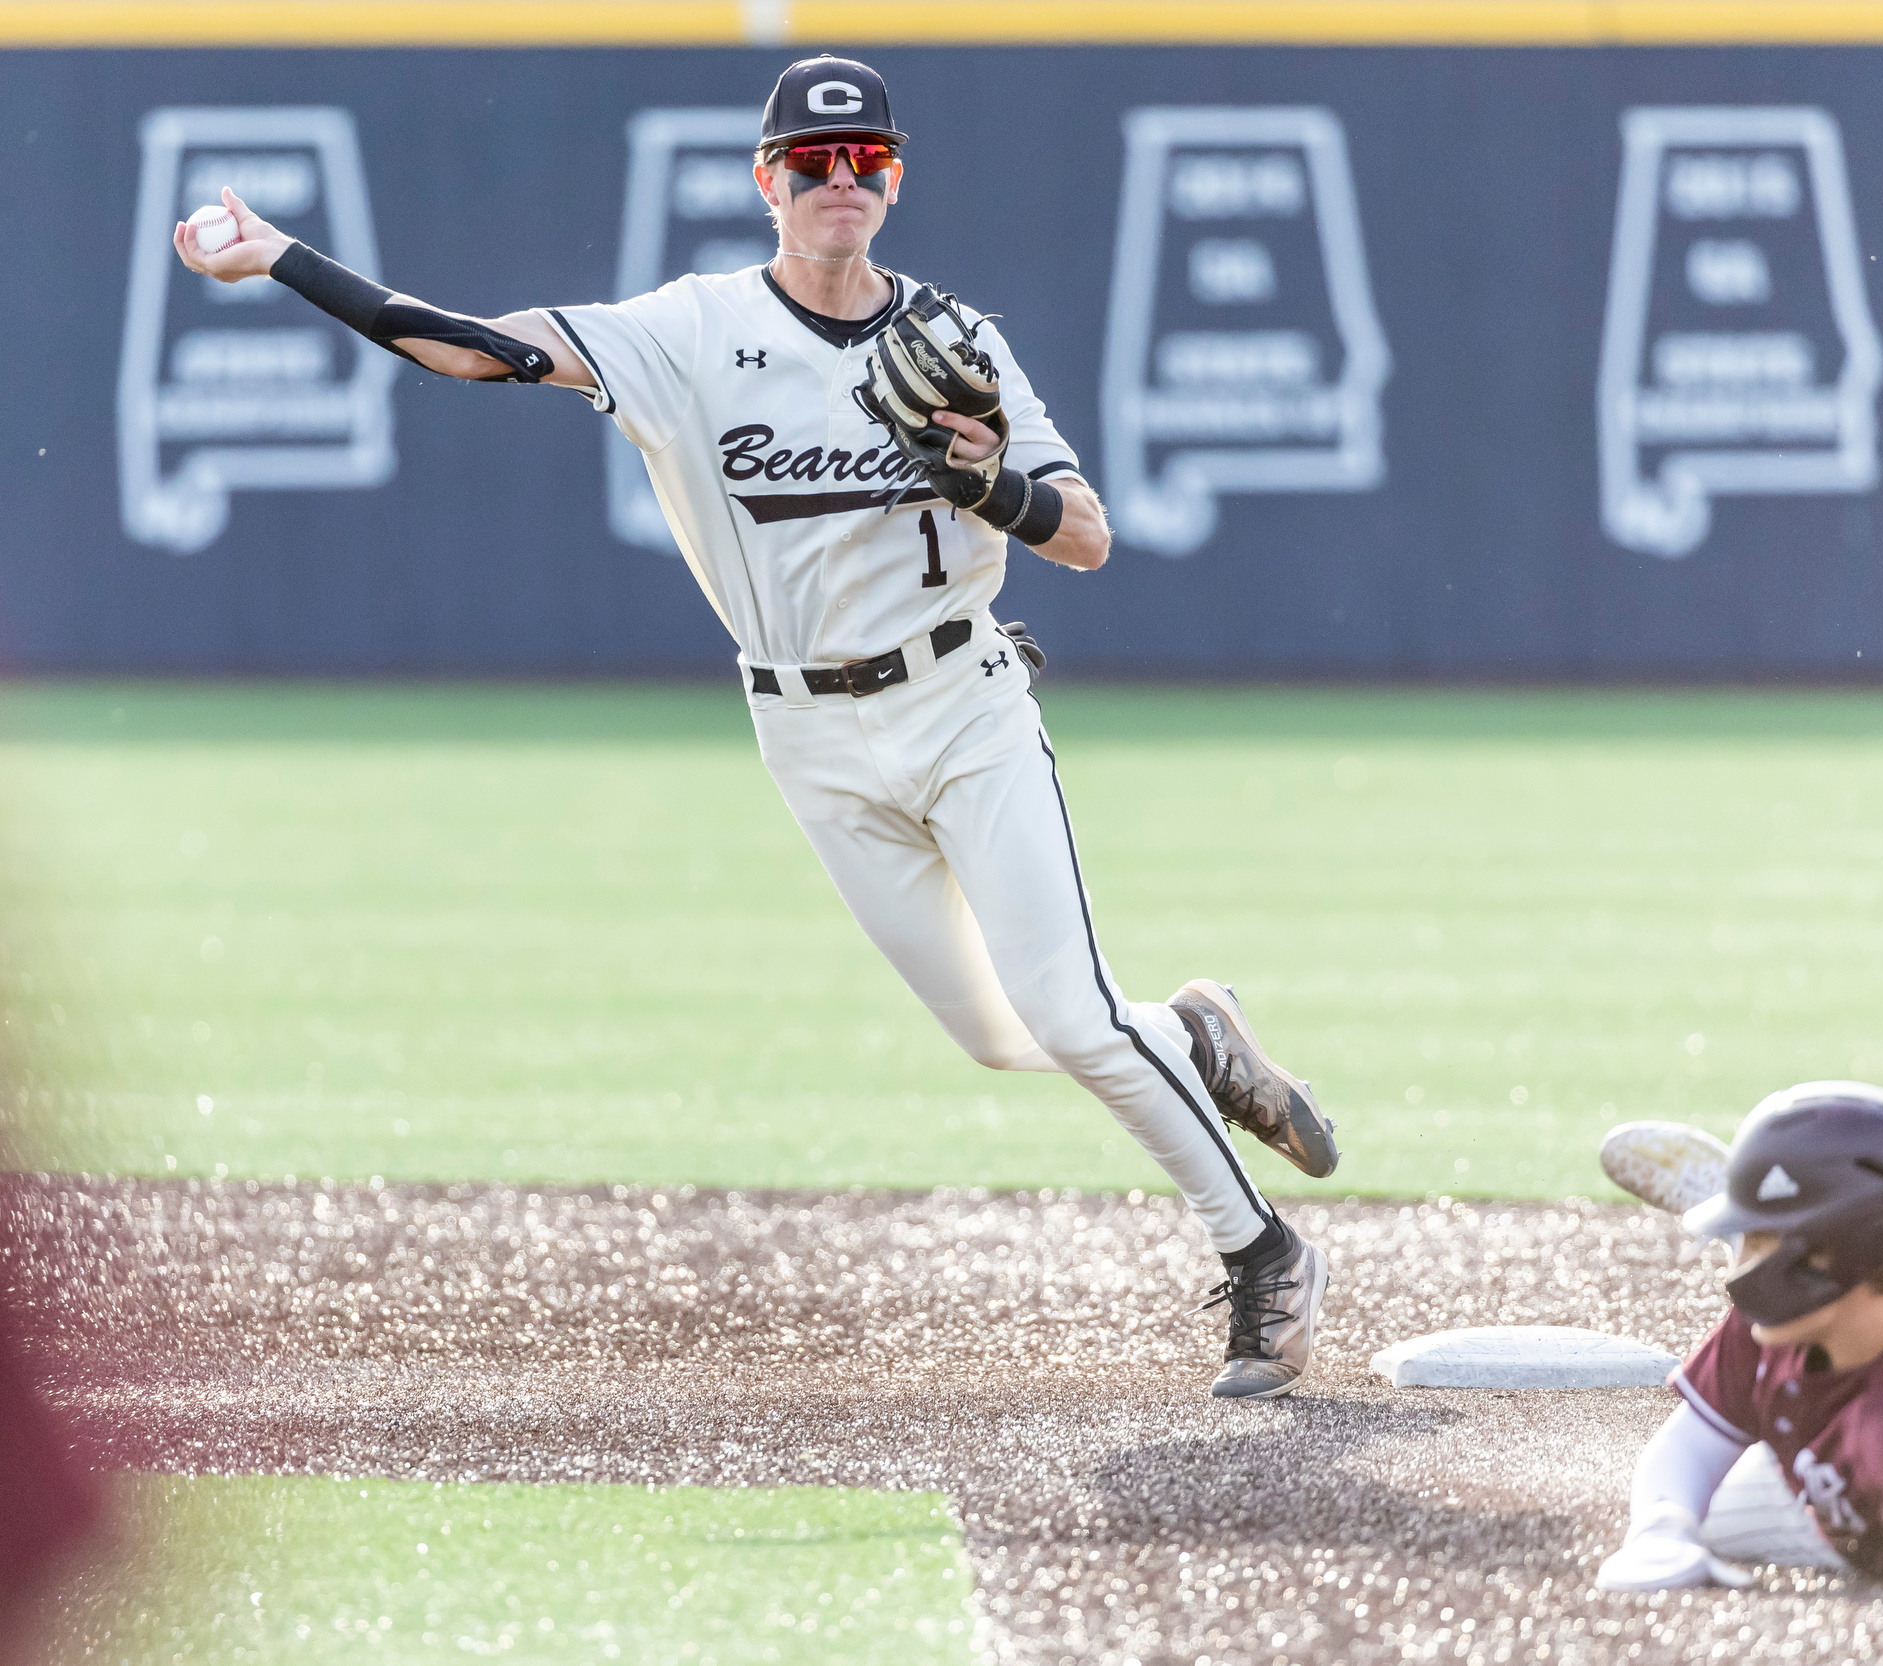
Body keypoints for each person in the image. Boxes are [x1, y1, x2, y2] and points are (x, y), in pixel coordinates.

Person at [168, 54, 1339, 1399]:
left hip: (962, 704)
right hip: (809, 734)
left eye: (865, 162)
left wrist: (989, 479)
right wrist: (282, 261)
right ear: (765, 181)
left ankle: (1261, 1253)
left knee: (1070, 1017)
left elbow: (1085, 536)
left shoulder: (955, 341)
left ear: (893, 180)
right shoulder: (687, 331)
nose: (838, 182)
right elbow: (477, 348)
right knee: (1002, 1036)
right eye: (810, 162)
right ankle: (1195, 1039)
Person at [1595, 1083, 1883, 1621]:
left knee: (1716, 1523)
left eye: (1757, 1243)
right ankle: (1759, 1208)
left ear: (1828, 1258)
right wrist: (1662, 1530)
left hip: (1857, 1486)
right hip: (1835, 1411)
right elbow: (1691, 1443)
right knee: (1681, 1512)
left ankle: (1751, 1205)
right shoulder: (1787, 1318)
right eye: (1747, 1240)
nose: (1736, 1278)